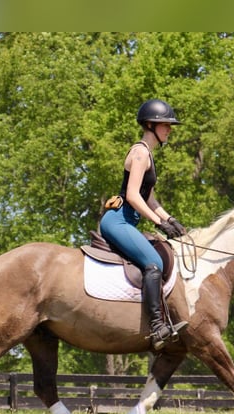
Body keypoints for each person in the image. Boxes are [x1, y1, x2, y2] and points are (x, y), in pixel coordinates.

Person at [99, 98, 188, 351]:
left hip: (129, 221)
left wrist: (170, 219)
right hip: (118, 221)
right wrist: (158, 223)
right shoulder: (139, 152)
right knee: (154, 263)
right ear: (150, 125)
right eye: (165, 125)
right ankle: (157, 327)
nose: (169, 129)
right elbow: (132, 195)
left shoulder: (148, 154)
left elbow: (149, 197)